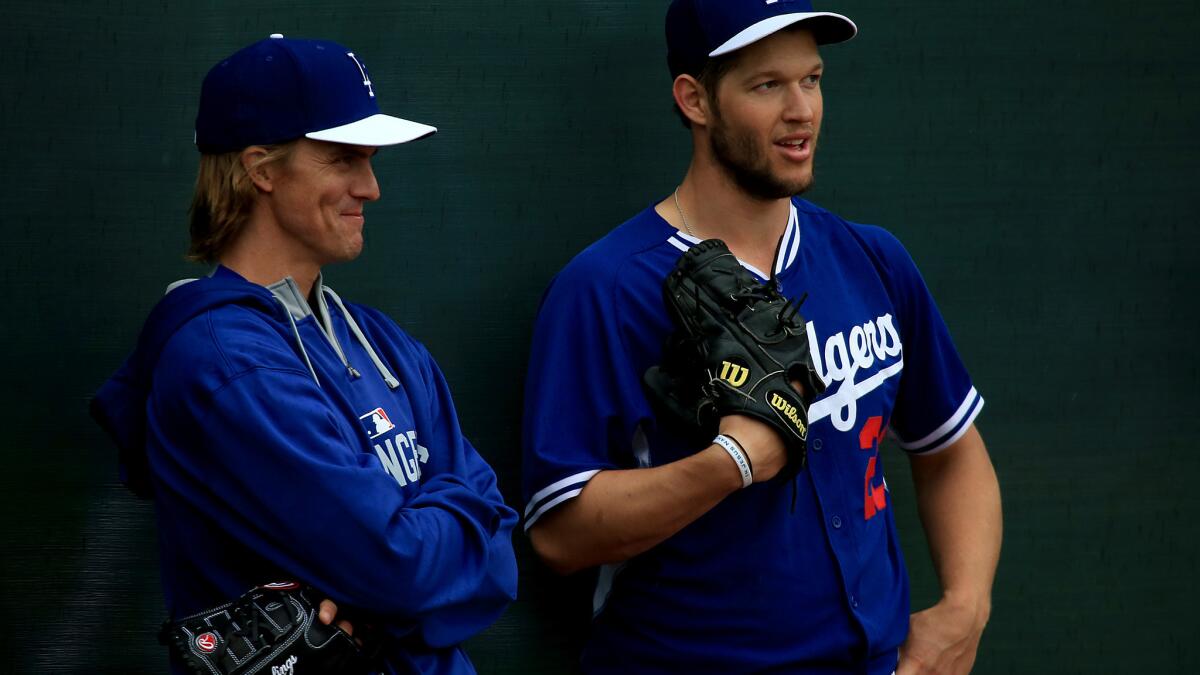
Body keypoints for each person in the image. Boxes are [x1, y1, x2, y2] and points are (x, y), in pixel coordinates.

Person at [521, 2, 1002, 673]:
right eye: (767, 85)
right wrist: (729, 463)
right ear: (695, 99)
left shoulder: (872, 259)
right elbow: (558, 532)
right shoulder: (606, 288)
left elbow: (951, 449)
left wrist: (965, 605)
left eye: (812, 79)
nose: (802, 110)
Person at [91, 35, 517, 674]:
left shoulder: (385, 343)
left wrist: (394, 574)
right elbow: (398, 568)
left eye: (370, 160)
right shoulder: (223, 361)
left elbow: (500, 551)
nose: (370, 187)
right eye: (344, 159)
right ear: (262, 168)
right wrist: (440, 534)